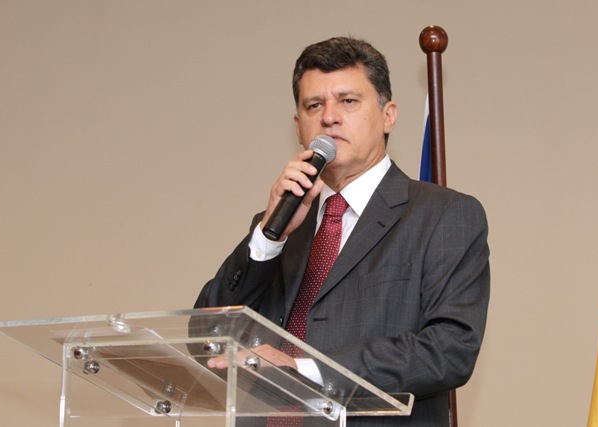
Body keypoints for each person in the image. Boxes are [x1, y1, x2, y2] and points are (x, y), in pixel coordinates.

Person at [195, 36, 490, 426]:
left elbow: (450, 350)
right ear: (298, 127)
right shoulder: (280, 225)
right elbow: (206, 336)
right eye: (314, 105)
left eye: (348, 101)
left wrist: (304, 369)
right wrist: (268, 238)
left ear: (388, 115)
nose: (329, 117)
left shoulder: (442, 215)